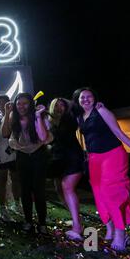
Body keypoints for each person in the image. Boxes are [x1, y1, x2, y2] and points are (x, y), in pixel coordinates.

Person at [74, 87, 130, 250]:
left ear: (95, 98)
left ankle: (121, 235)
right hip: (94, 159)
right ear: (78, 101)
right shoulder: (79, 117)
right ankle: (110, 229)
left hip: (112, 155)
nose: (85, 99)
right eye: (82, 98)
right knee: (99, 194)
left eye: (89, 96)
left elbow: (118, 132)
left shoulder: (101, 111)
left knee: (112, 193)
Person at [2, 93, 52, 234]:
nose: (21, 106)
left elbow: (43, 137)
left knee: (39, 190)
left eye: (25, 103)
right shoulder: (14, 117)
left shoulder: (39, 116)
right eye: (19, 104)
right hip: (22, 156)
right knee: (25, 190)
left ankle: (42, 223)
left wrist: (37, 116)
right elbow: (5, 133)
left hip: (38, 155)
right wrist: (7, 113)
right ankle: (28, 221)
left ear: (30, 104)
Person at [47, 98, 85, 240]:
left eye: (62, 105)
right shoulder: (50, 121)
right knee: (60, 189)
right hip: (57, 158)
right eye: (56, 105)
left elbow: (76, 106)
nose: (59, 107)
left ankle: (77, 227)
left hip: (72, 157)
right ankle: (76, 219)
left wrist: (68, 105)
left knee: (67, 187)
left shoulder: (69, 118)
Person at [0, 94, 20, 222]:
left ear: (10, 103)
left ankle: (17, 204)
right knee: (2, 179)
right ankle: (3, 208)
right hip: (2, 154)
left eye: (4, 103)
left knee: (16, 179)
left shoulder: (18, 117)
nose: (2, 105)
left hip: (16, 152)